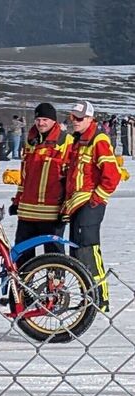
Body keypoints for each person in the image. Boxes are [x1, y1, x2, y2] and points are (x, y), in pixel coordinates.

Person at [62, 100, 121, 313]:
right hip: (75, 204)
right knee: (77, 252)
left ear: (90, 119)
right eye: (72, 117)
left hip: (89, 204)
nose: (74, 122)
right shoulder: (78, 141)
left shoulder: (99, 139)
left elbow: (112, 175)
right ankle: (87, 295)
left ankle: (100, 298)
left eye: (79, 118)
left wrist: (96, 199)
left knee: (89, 250)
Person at [9, 103, 73, 268]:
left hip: (52, 212)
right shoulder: (31, 142)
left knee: (54, 258)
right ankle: (21, 292)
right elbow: (25, 177)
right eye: (38, 119)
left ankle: (56, 292)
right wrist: (17, 201)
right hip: (27, 212)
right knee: (22, 257)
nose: (41, 123)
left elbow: (71, 179)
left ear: (53, 121)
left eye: (45, 119)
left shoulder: (66, 141)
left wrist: (67, 207)